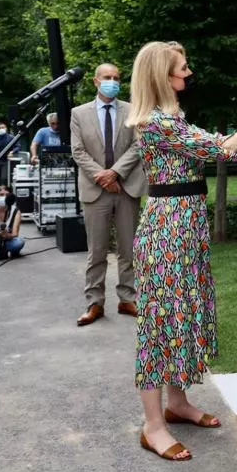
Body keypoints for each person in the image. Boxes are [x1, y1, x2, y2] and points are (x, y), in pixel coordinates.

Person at [127, 40, 237, 461]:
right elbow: (215, 149)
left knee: (180, 316)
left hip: (185, 228)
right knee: (160, 326)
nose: (188, 73)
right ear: (162, 76)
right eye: (182, 68)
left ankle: (177, 405)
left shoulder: (173, 118)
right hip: (167, 232)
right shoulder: (156, 121)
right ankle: (152, 425)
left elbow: (210, 142)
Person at [70, 63, 147, 326]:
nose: (112, 81)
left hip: (126, 187)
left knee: (128, 248)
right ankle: (94, 303)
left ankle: (127, 298)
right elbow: (78, 151)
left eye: (116, 78)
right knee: (97, 250)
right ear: (95, 81)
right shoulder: (78, 114)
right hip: (95, 190)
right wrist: (102, 177)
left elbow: (139, 145)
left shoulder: (132, 111)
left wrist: (114, 173)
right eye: (107, 77)